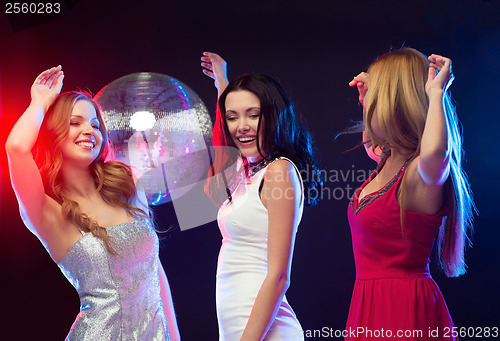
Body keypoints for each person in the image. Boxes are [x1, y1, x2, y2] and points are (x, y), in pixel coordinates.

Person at [5, 66, 181, 341]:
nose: (89, 130)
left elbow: (154, 271)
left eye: (95, 124)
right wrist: (39, 102)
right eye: (75, 123)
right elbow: (16, 147)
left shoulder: (128, 184)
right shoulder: (48, 213)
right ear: (54, 132)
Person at [345, 48, 474, 340]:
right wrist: (367, 101)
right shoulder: (386, 162)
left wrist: (436, 92)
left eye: (379, 98)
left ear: (394, 104)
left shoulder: (419, 176)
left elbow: (435, 151)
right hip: (369, 307)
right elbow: (372, 139)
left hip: (403, 310)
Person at [201, 52, 322, 340]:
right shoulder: (246, 173)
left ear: (274, 116)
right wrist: (223, 87)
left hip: (264, 332)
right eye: (233, 117)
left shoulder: (279, 172)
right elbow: (219, 158)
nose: (241, 125)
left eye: (253, 115)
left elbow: (280, 276)